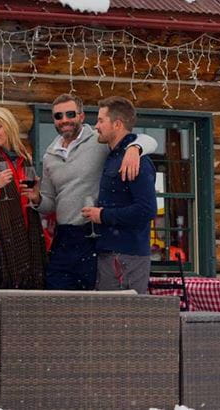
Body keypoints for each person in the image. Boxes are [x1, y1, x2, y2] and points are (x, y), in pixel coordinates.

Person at [28, 94, 156, 290]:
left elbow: (143, 138)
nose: (64, 120)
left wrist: (135, 148)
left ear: (81, 116)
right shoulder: (49, 155)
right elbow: (50, 203)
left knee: (93, 302)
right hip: (63, 237)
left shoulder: (99, 141)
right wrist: (37, 199)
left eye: (70, 114)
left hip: (93, 235)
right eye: (58, 116)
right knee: (56, 295)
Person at [81, 96, 157, 294]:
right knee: (109, 319)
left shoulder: (136, 161)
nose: (96, 126)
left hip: (127, 256)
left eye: (100, 120)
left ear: (117, 124)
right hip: (111, 252)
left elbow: (146, 210)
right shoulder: (115, 155)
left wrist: (102, 215)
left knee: (123, 320)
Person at [0, 108, 44, 290]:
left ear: (9, 127)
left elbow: (28, 204)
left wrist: (35, 198)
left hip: (24, 243)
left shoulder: (23, 160)